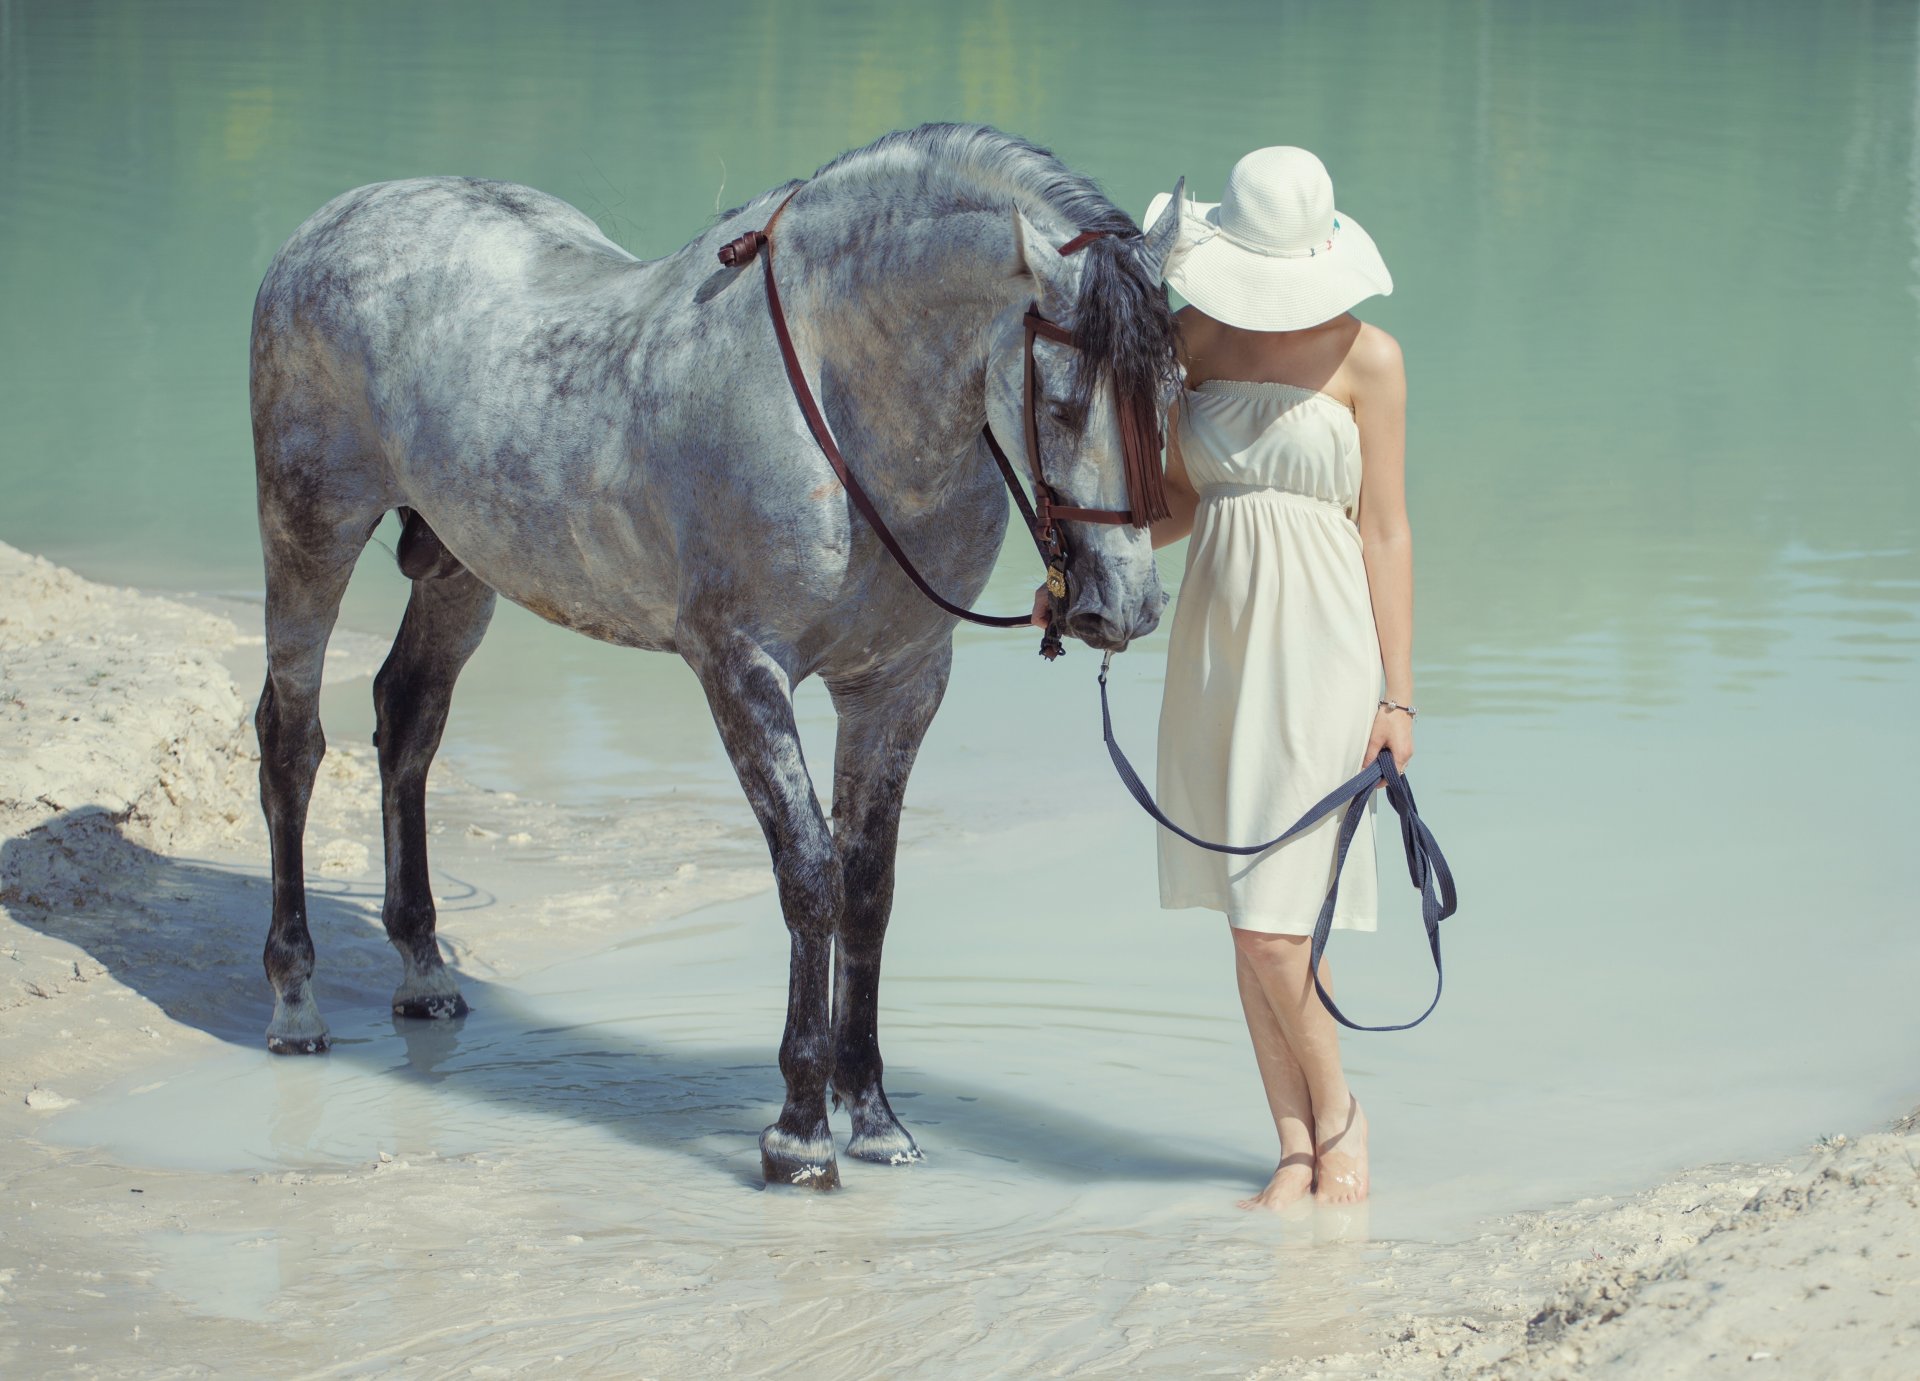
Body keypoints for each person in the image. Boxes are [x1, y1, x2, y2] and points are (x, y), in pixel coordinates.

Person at [1145, 147, 1412, 1210]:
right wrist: (1078, 575)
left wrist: (1399, 695)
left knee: (1275, 921)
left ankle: (1342, 1121)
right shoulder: (1188, 343)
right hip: (1218, 644)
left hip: (1325, 649)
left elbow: (1385, 530)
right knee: (1247, 909)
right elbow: (1176, 502)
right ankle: (1294, 1148)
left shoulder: (1370, 358)